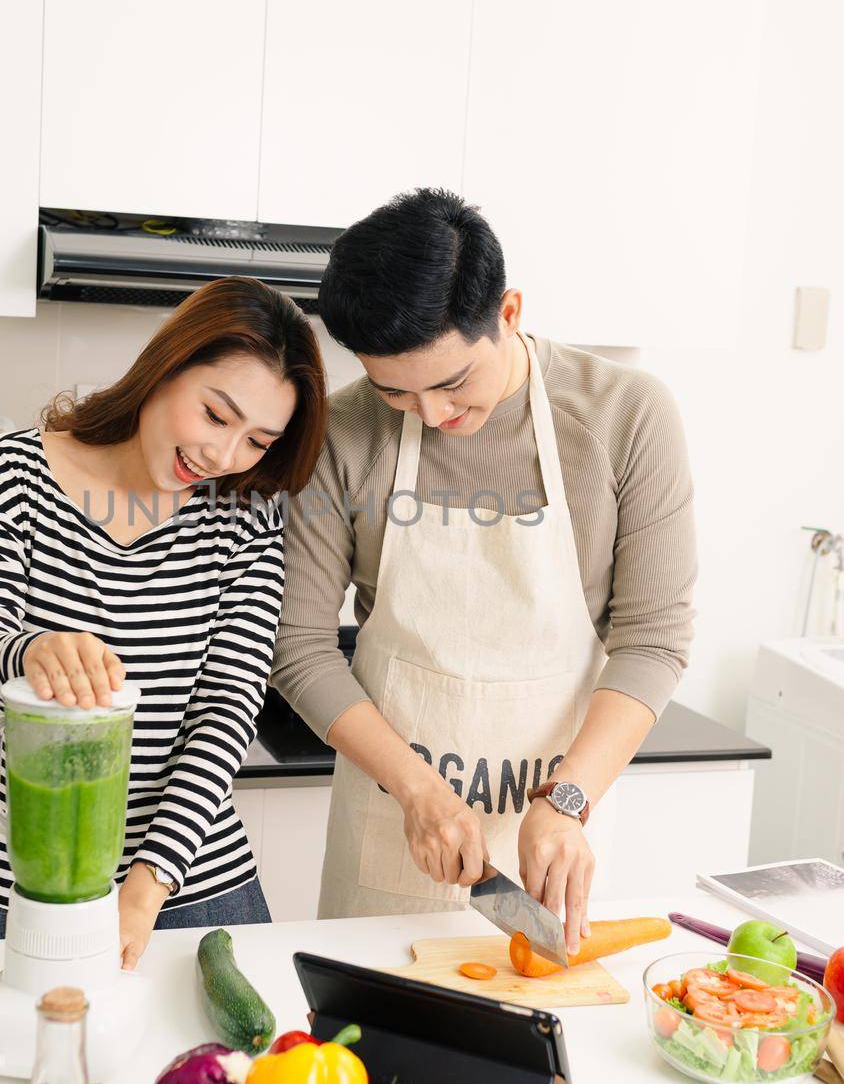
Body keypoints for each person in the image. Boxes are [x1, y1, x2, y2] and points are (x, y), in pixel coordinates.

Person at [271, 188, 696, 954]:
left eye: (453, 381)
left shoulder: (625, 416)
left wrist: (567, 801)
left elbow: (654, 637)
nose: (431, 415)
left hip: (555, 832)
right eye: (395, 389)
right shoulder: (344, 431)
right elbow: (297, 646)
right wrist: (417, 789)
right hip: (392, 824)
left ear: (509, 312)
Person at [0, 276, 327, 968]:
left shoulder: (243, 516)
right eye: (214, 414)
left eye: (257, 441)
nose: (222, 456)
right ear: (167, 364)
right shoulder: (12, 471)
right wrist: (31, 651)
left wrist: (146, 886)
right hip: (24, 881)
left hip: (191, 881)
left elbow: (227, 709)